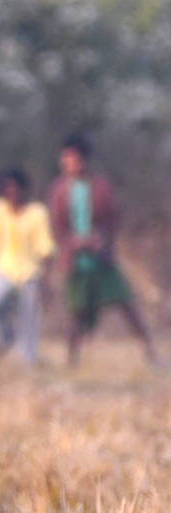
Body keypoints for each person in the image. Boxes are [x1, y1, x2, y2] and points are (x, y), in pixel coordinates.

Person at [46, 134, 157, 366]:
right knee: (77, 311)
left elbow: (112, 220)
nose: (69, 163)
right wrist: (72, 244)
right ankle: (71, 360)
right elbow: (57, 227)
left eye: (74, 158)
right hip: (76, 260)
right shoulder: (59, 190)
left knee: (125, 303)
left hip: (101, 258)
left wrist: (101, 240)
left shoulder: (101, 186)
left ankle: (150, 352)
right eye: (66, 158)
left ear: (84, 160)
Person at [0, 166, 53, 363]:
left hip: (29, 270)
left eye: (15, 188)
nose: (11, 193)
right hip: (3, 267)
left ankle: (28, 359)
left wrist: (46, 280)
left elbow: (45, 247)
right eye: (7, 189)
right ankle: (6, 337)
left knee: (29, 315)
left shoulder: (37, 213)